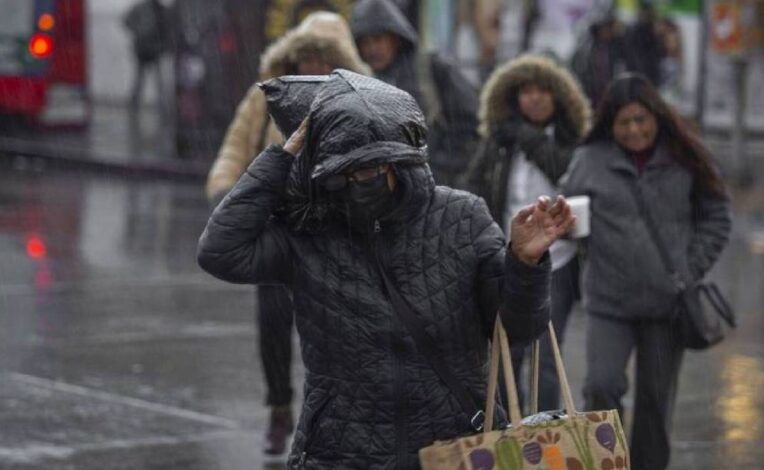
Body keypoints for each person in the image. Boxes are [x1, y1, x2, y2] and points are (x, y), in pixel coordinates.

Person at [197, 70, 575, 468]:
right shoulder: (310, 231)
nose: (358, 182)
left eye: (369, 169)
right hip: (339, 450)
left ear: (398, 159)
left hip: (451, 448)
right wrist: (282, 156)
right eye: (344, 173)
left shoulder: (462, 217)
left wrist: (524, 263)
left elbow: (520, 328)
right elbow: (220, 250)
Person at [204, 12, 370, 456]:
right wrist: (226, 192)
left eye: (322, 57)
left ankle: (336, 415)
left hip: (334, 229)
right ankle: (279, 406)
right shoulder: (266, 95)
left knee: (339, 326)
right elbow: (236, 145)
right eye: (305, 56)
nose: (312, 66)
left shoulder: (357, 100)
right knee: (273, 321)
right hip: (278, 223)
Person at [561, 74, 732, 470]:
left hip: (666, 305)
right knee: (600, 388)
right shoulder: (590, 160)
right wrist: (569, 224)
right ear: (610, 124)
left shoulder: (685, 158)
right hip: (608, 302)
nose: (634, 130)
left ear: (657, 116)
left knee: (656, 406)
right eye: (624, 122)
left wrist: (690, 268)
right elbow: (565, 210)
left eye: (641, 119)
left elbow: (717, 216)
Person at [462, 54, 591, 413]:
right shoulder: (500, 141)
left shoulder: (571, 142)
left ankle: (547, 433)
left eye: (543, 91)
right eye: (526, 91)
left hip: (558, 261)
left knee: (548, 358)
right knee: (506, 354)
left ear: (558, 97)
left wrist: (530, 139)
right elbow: (474, 188)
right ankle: (510, 433)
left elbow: (567, 174)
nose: (534, 98)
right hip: (507, 258)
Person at [351, 0, 480, 187]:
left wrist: (441, 165)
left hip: (437, 189)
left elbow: (472, 123)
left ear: (394, 38)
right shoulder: (357, 80)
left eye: (378, 39)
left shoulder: (431, 69)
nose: (372, 49)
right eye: (365, 42)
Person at [571, 12, 628, 109]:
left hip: (609, 93)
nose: (606, 32)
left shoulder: (614, 47)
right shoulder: (587, 48)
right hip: (592, 94)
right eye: (604, 29)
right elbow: (580, 70)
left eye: (608, 29)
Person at [123, 0, 170, 111]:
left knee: (158, 80)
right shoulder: (140, 8)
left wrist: (164, 45)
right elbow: (126, 21)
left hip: (155, 49)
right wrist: (139, 31)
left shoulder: (162, 10)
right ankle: (134, 105)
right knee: (140, 79)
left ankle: (161, 106)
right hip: (142, 49)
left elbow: (167, 29)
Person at [623, 3, 667, 88]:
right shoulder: (634, 31)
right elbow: (632, 55)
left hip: (651, 76)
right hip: (639, 77)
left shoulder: (654, 30)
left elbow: (661, 53)